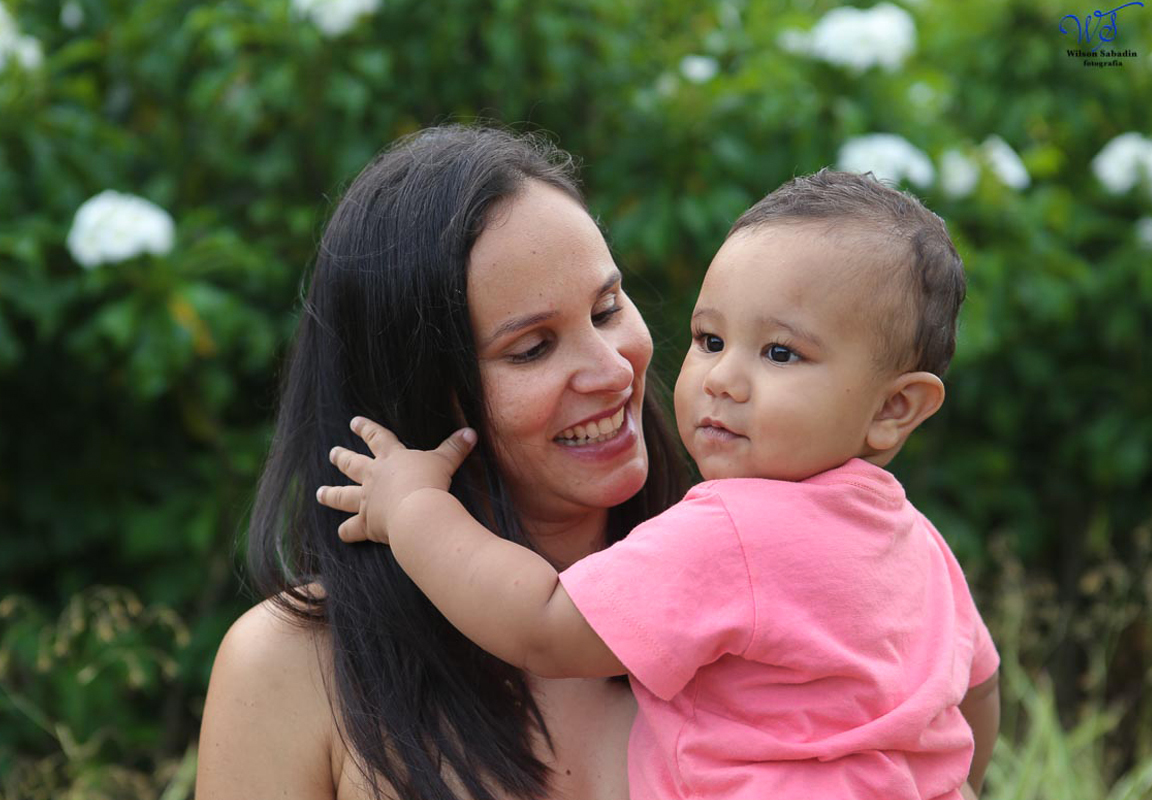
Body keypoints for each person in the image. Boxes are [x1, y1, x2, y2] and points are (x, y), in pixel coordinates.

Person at [320, 170, 1002, 800]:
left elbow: (544, 625)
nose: (722, 379)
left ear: (894, 409)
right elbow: (976, 691)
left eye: (781, 353)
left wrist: (412, 507)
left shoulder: (727, 532)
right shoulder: (917, 544)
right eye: (709, 340)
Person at [195, 125, 689, 800]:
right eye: (533, 349)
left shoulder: (743, 601)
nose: (611, 370)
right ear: (422, 398)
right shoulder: (290, 667)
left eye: (606, 310)